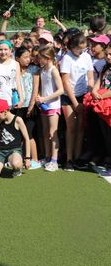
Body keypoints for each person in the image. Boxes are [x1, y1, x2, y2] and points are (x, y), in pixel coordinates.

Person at [60, 33, 94, 171]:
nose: (82, 51)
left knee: (81, 128)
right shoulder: (67, 58)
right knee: (71, 128)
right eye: (79, 49)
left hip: (83, 96)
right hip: (68, 97)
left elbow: (90, 77)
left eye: (84, 49)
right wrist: (75, 103)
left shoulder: (86, 57)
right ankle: (68, 159)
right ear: (72, 47)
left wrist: (90, 93)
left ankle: (77, 157)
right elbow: (65, 81)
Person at [35, 46, 64, 172]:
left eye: (40, 58)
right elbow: (44, 87)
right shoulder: (42, 70)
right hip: (44, 106)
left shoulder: (53, 70)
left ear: (47, 58)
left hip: (53, 106)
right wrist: (40, 99)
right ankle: (47, 157)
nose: (38, 60)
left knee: (53, 133)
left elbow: (61, 90)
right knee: (46, 132)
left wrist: (45, 99)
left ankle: (54, 160)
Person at [0, 99, 31, 178]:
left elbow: (27, 139)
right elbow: (1, 132)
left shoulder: (18, 120)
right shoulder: (1, 120)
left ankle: (17, 169)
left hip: (14, 150)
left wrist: (27, 158)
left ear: (5, 111)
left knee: (16, 164)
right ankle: (0, 165)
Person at [0, 41, 23, 108]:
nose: (3, 52)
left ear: (10, 50)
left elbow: (18, 83)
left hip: (13, 100)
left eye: (5, 49)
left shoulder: (16, 64)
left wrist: (21, 99)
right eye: (0, 50)